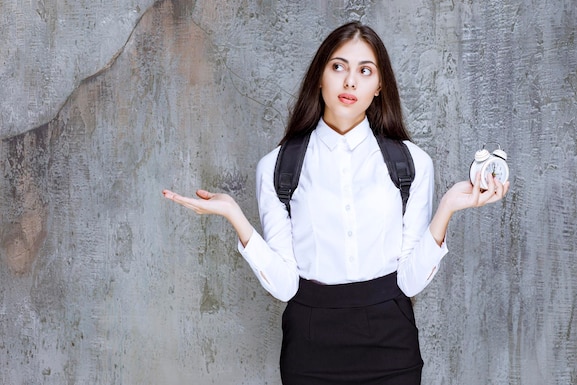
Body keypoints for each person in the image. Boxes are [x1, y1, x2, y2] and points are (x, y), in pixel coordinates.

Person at [163, 21, 509, 385]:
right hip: (310, 346)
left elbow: (408, 282)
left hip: (391, 343)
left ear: (379, 87)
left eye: (365, 71)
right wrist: (236, 216)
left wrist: (448, 207)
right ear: (319, 77)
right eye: (338, 66)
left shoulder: (412, 163)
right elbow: (285, 286)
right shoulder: (277, 167)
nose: (350, 82)